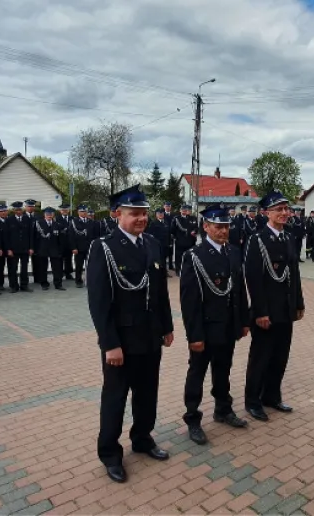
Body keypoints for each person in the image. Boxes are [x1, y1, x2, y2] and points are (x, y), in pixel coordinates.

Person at [86, 184, 174, 483]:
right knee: (115, 398)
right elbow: (99, 302)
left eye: (144, 214)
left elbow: (160, 291)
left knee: (147, 393)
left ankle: (143, 438)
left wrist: (168, 326)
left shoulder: (151, 243)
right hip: (121, 341)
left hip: (150, 335)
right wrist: (110, 344)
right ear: (117, 215)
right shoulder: (104, 248)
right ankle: (110, 454)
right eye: (134, 214)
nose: (141, 219)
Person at [179, 203, 250, 445]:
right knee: (196, 374)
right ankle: (193, 418)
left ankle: (223, 409)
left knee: (223, 370)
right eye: (218, 227)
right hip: (205, 328)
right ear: (206, 227)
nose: (223, 231)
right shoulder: (193, 256)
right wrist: (194, 336)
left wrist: (243, 321)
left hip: (228, 326)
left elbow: (239, 290)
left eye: (226, 226)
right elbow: (189, 301)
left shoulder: (233, 252)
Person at [243, 191, 305, 422]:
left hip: (285, 309)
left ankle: (272, 396)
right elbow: (253, 279)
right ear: (266, 213)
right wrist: (260, 312)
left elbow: (295, 274)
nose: (284, 213)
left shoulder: (288, 238)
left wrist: (298, 303)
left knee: (280, 356)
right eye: (278, 209)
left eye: (286, 209)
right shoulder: (257, 240)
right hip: (266, 311)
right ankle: (252, 401)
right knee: (261, 358)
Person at [4, 201, 34, 293]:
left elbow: (31, 234)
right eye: (16, 209)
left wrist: (31, 247)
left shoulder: (27, 219)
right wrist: (8, 249)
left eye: (20, 209)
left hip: (25, 248)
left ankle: (24, 285)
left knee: (24, 268)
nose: (18, 211)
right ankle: (13, 286)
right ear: (13, 210)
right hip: (13, 249)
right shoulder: (9, 220)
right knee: (13, 268)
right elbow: (6, 236)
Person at [34, 207, 66, 291]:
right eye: (47, 214)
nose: (49, 215)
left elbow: (61, 239)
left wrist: (60, 250)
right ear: (44, 215)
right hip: (42, 249)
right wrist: (36, 249)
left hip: (54, 249)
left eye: (51, 214)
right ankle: (44, 283)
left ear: (53, 215)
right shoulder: (38, 224)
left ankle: (58, 284)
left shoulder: (57, 225)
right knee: (43, 267)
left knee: (57, 268)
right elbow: (35, 238)